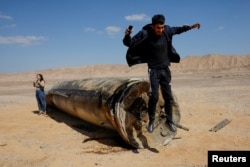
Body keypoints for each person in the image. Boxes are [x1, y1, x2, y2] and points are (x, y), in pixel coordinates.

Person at [123, 14, 200, 133]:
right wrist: (127, 35)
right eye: (159, 28)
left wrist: (191, 27)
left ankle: (170, 121)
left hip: (165, 69)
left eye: (162, 27)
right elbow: (130, 43)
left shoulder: (167, 30)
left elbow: (178, 30)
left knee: (168, 97)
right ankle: (152, 121)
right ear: (153, 26)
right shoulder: (145, 33)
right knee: (154, 96)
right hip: (154, 70)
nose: (161, 30)